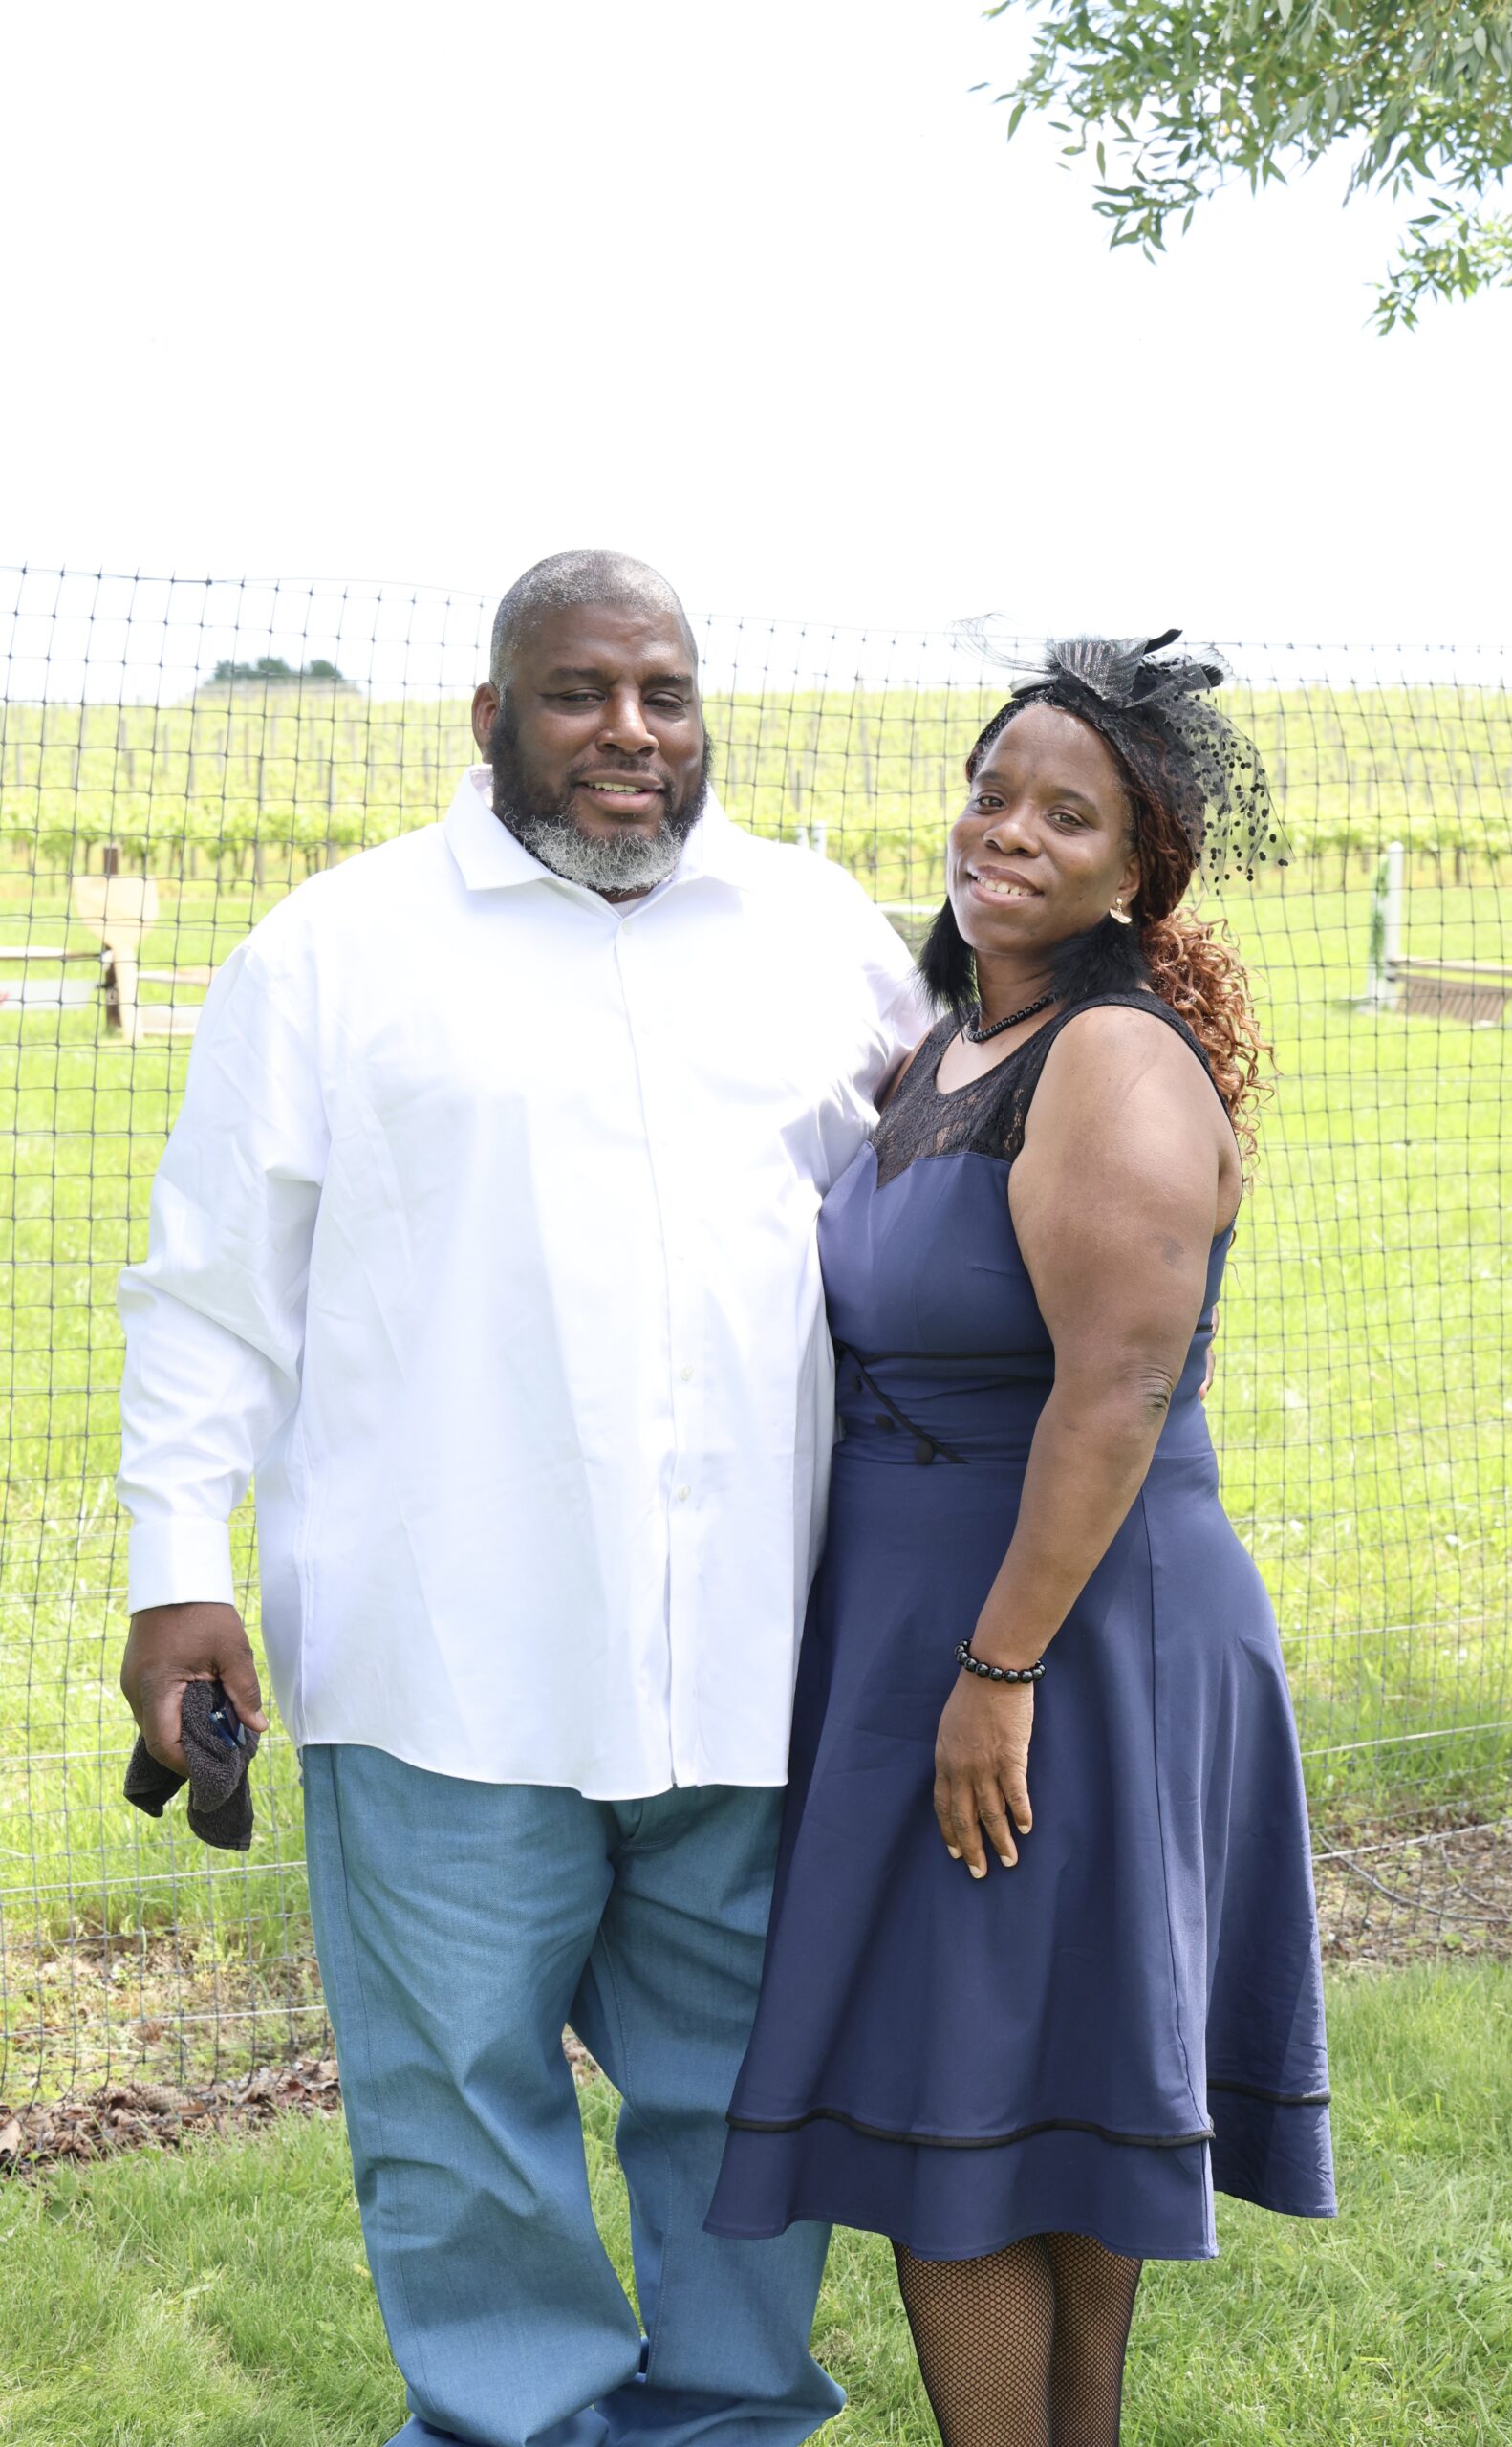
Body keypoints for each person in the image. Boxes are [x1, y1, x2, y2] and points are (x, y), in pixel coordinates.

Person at [115, 550, 925, 2447]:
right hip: (443, 1666)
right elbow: (209, 1293)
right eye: (577, 693)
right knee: (459, 2109)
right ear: (490, 717)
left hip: (752, 1655)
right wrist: (174, 1572)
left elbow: (947, 1206)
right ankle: (514, 2425)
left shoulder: (817, 934)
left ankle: (729, 2418)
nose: (628, 732)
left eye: (664, 693)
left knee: (745, 2095)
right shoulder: (336, 951)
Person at [707, 635, 1337, 2447]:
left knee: (960, 2117)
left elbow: (1117, 1390)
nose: (1010, 833)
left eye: (1069, 816)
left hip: (1061, 1628)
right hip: (948, 1617)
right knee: (1023, 2096)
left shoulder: (1111, 1061)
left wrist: (998, 1671)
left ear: (1140, 871)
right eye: (993, 794)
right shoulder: (957, 1039)